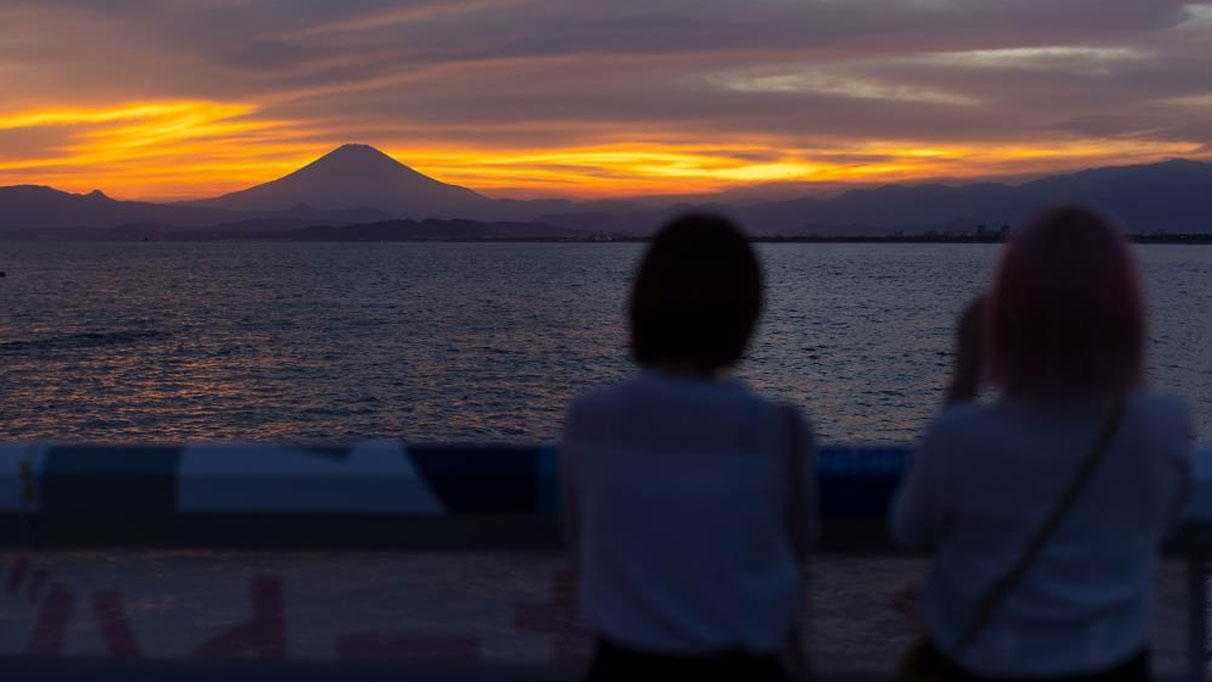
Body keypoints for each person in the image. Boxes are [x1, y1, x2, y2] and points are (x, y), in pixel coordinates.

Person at [892, 206, 1193, 681]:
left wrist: (966, 374)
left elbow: (911, 529)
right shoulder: (1165, 426)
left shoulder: (962, 434)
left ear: (1009, 313)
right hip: (1116, 665)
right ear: (1126, 313)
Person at [560, 213, 816, 681]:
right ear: (746, 314)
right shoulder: (777, 429)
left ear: (641, 304)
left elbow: (581, 544)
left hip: (623, 664)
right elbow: (796, 552)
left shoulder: (590, 419)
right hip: (745, 665)